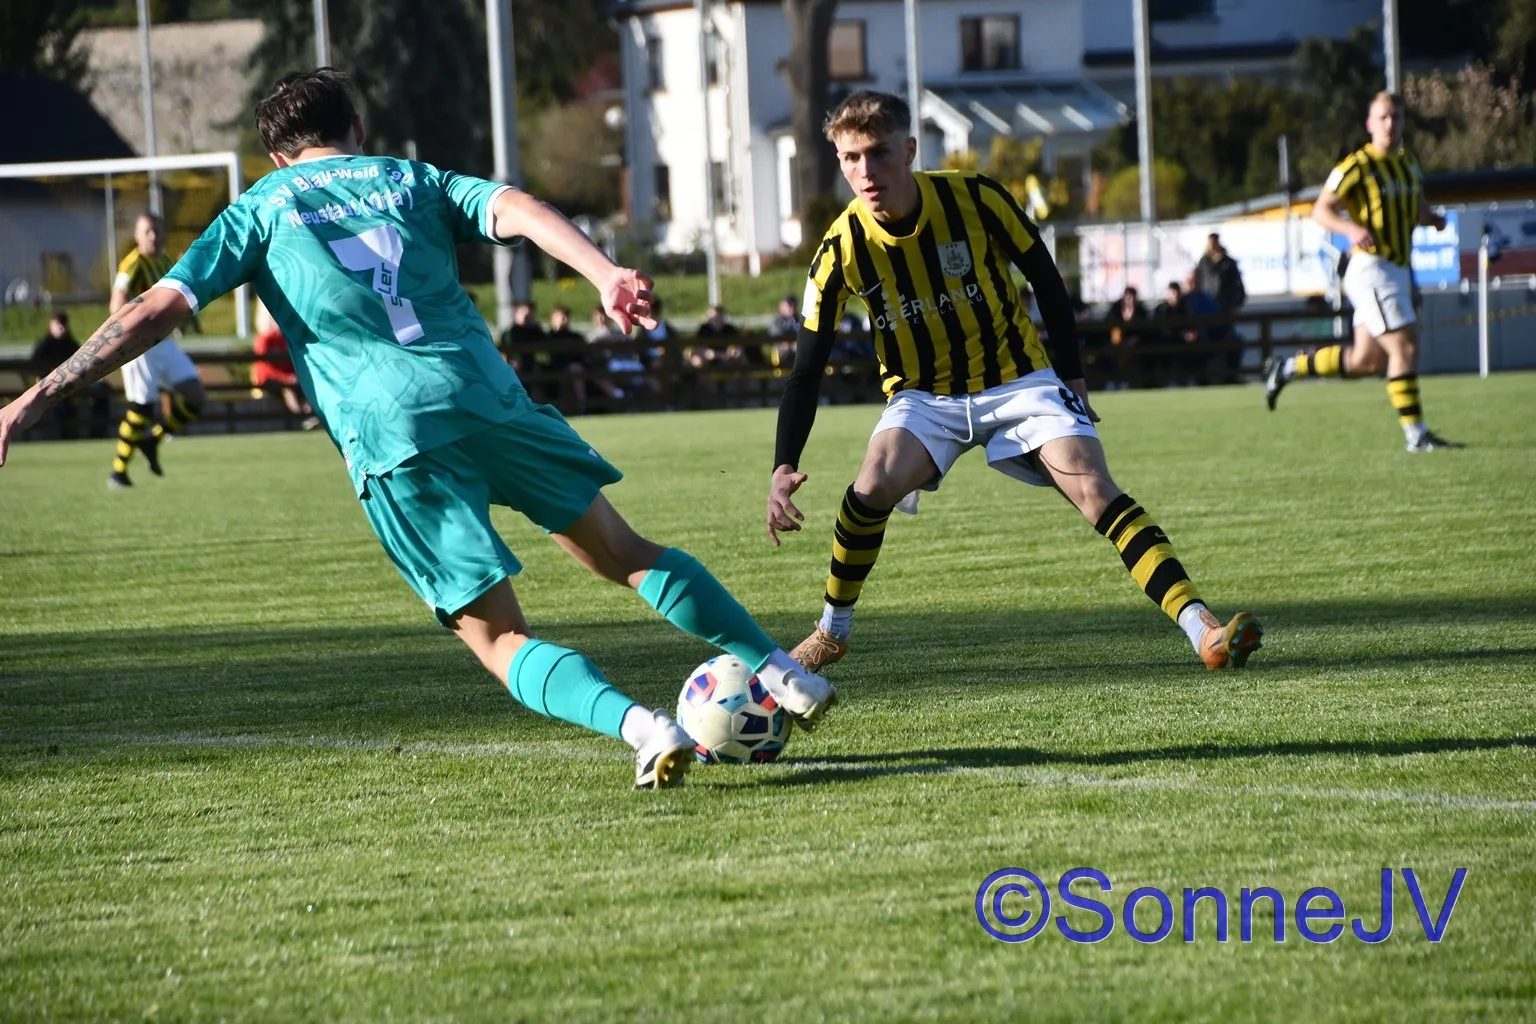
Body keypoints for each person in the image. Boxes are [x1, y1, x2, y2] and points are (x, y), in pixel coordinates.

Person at [0, 67, 835, 791]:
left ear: (278, 157)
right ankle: (780, 667)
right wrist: (605, 272)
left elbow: (153, 311)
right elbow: (517, 208)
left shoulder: (261, 207)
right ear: (357, 131)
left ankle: (645, 728)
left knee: (499, 636)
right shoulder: (411, 177)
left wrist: (34, 397)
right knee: (624, 551)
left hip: (393, 432)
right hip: (489, 396)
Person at [765, 90, 1261, 676]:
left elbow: (1046, 280)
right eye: (851, 158)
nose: (866, 172)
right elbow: (806, 368)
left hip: (1018, 379)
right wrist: (783, 464)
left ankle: (1202, 628)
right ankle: (832, 631)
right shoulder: (839, 249)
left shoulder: (977, 198)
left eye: (878, 153)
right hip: (923, 397)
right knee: (871, 484)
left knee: (1094, 488)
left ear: (910, 149)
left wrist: (1072, 377)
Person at [1264, 91, 1461, 452]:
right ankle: (1417, 436)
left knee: (1365, 360)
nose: (1390, 124)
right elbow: (1321, 210)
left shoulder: (1409, 164)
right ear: (1370, 124)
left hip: (1398, 269)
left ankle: (1288, 368)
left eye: (1396, 117)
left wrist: (1431, 218)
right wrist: (1350, 229)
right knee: (1405, 345)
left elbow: (1415, 205)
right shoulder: (1355, 166)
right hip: (1371, 267)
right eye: (1383, 117)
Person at [106, 211, 207, 488]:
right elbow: (116, 303)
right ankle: (118, 471)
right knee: (142, 407)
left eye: (157, 230)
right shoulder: (132, 265)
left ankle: (153, 441)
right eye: (147, 231)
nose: (153, 236)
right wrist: (132, 327)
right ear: (137, 236)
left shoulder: (164, 261)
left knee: (196, 396)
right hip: (139, 346)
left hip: (163, 342)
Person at [30, 312, 112, 439]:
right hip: (54, 386)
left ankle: (98, 432)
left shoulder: (70, 343)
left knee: (102, 390)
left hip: (76, 384)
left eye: (63, 324)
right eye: (58, 324)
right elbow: (35, 366)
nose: (61, 328)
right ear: (50, 325)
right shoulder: (44, 346)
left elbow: (85, 362)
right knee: (62, 397)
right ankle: (68, 435)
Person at [252, 302, 320, 429]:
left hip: (287, 377)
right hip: (267, 378)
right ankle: (302, 417)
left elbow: (291, 363)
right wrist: (286, 378)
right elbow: (266, 369)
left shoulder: (285, 339)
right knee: (287, 389)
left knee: (305, 385)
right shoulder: (264, 340)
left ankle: (310, 413)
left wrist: (295, 376)